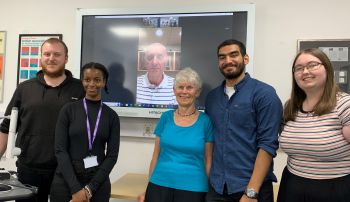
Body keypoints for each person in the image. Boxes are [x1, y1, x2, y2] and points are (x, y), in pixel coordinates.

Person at [0, 38, 85, 202]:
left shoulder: (80, 89)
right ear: (41, 57)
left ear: (66, 58)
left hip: (66, 171)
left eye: (57, 54)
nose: (51, 58)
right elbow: (6, 127)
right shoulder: (25, 89)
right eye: (47, 54)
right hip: (28, 170)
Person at [205, 39, 283, 202]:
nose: (228, 61)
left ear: (245, 58)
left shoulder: (264, 94)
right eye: (222, 57)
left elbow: (268, 145)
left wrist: (251, 192)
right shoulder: (212, 98)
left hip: (252, 189)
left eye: (234, 55)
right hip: (217, 189)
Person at [277, 48, 350, 202]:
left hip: (335, 188)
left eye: (312, 65)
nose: (305, 71)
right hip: (291, 185)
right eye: (299, 68)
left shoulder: (345, 104)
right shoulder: (291, 106)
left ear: (327, 69)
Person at [138, 67, 214, 202]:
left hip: (194, 188)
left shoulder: (205, 121)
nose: (184, 91)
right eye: (180, 87)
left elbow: (209, 160)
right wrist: (148, 187)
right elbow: (156, 156)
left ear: (197, 92)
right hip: (159, 184)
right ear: (174, 90)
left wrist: (207, 189)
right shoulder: (165, 118)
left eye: (189, 87)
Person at [50, 62, 120, 202]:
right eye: (87, 79)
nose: (92, 84)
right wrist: (75, 189)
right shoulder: (68, 110)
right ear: (82, 81)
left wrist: (89, 189)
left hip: (97, 182)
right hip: (66, 180)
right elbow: (60, 150)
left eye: (97, 80)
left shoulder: (111, 116)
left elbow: (112, 155)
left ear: (104, 82)